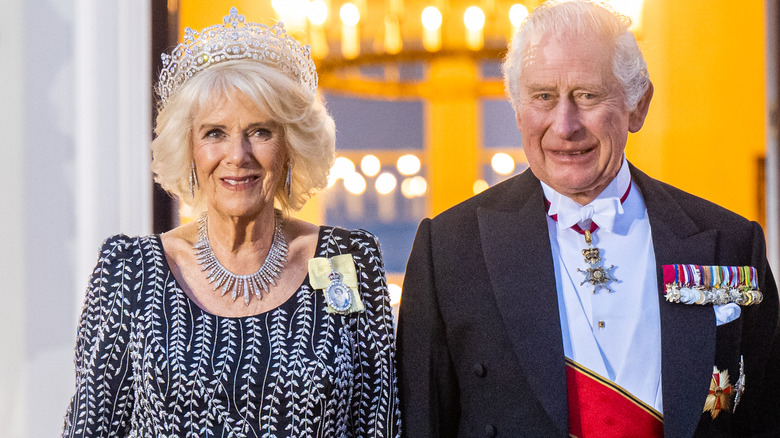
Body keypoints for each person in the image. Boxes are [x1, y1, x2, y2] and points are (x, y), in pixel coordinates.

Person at [397, 1, 780, 437]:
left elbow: (765, 418)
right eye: (543, 96)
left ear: (638, 105)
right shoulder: (449, 249)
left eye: (587, 96)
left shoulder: (731, 243)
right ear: (518, 110)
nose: (565, 125)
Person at [62, 8, 400, 437]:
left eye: (260, 131)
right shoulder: (130, 269)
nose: (237, 156)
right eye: (214, 133)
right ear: (188, 150)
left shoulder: (345, 262)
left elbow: (379, 424)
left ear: (291, 146)